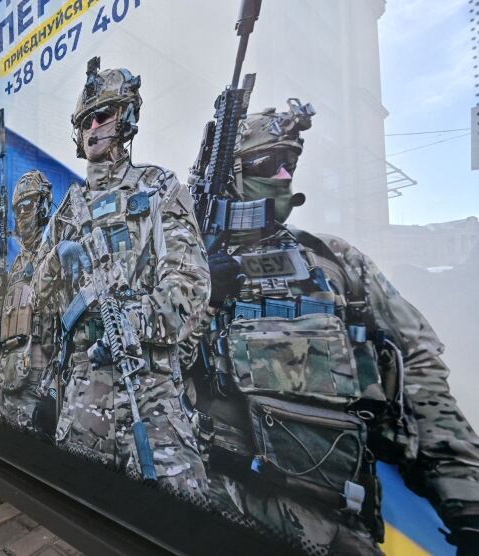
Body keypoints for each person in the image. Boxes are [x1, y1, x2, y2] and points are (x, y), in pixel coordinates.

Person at [185, 100, 479, 554]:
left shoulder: (333, 260)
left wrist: (466, 502)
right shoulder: (184, 268)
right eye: (269, 163)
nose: (284, 177)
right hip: (218, 509)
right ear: (232, 175)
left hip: (336, 522)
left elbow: (417, 371)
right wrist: (195, 295)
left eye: (290, 164)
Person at [34, 58, 210, 505]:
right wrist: (58, 260)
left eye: (103, 115)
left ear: (127, 117)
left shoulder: (157, 189)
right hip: (80, 396)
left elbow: (189, 288)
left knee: (180, 517)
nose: (93, 127)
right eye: (84, 120)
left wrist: (131, 321)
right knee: (82, 511)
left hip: (149, 389)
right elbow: (40, 295)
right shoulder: (67, 210)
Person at [0, 170, 54, 435]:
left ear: (44, 206)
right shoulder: (14, 267)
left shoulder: (57, 257)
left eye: (27, 206)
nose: (20, 216)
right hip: (4, 396)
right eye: (17, 209)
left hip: (36, 400)